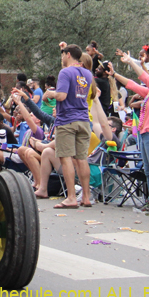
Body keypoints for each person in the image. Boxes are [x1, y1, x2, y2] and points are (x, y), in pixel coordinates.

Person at [108, 53, 149, 216]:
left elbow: (142, 77)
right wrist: (114, 74)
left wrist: (130, 62)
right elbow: (132, 85)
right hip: (145, 134)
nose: (148, 77)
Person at [44, 43, 93, 209]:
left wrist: (50, 93)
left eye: (62, 55)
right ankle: (86, 197)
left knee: (65, 158)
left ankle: (71, 197)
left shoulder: (65, 72)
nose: (61, 58)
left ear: (68, 55)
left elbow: (62, 95)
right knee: (81, 159)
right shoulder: (87, 73)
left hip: (67, 120)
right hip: (84, 119)